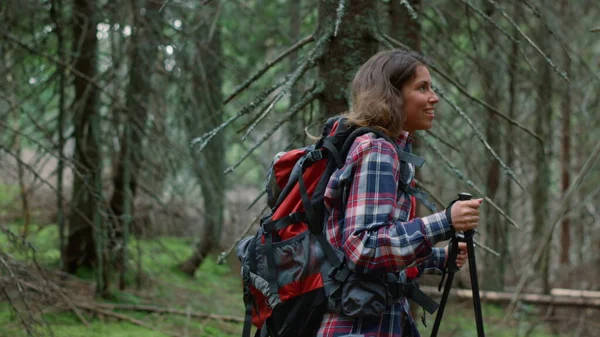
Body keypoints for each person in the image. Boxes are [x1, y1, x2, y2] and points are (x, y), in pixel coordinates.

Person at [317, 50, 483, 337]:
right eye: (422, 88)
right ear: (391, 95)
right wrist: (445, 221)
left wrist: (437, 258)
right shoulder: (377, 149)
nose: (434, 98)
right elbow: (362, 248)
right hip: (358, 327)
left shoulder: (387, 148)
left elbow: (370, 253)